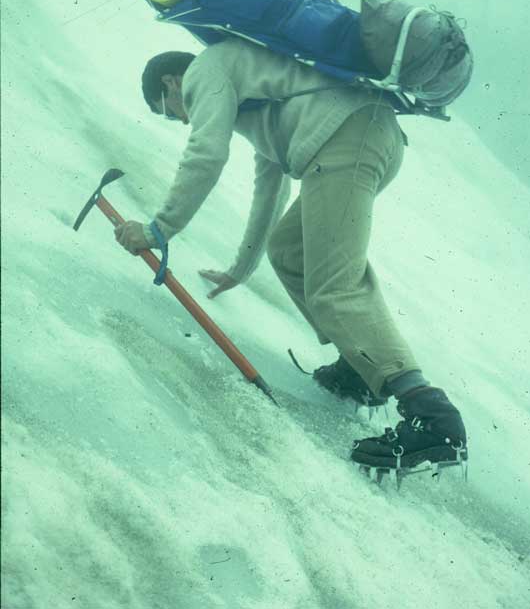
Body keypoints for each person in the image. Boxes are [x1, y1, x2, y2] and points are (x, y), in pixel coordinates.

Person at [114, 36, 467, 475]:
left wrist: (156, 230)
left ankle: (433, 417)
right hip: (361, 134)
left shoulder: (207, 70)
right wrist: (240, 270)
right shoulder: (252, 93)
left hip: (346, 138)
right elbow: (272, 186)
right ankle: (361, 369)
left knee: (334, 285)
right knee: (289, 250)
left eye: (167, 109)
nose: (179, 118)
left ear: (171, 81)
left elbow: (206, 154)